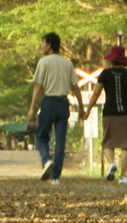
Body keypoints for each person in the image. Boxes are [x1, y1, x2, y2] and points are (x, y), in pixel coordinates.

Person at [26, 32, 85, 185]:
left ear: (50, 45)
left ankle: (46, 161)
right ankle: (55, 178)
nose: (41, 46)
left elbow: (38, 86)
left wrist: (32, 107)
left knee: (42, 137)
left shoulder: (43, 62)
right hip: (63, 104)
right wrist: (81, 108)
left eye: (43, 43)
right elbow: (76, 88)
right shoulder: (68, 63)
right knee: (60, 142)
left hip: (49, 103)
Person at [83, 44, 127, 184]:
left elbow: (95, 94)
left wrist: (87, 111)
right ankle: (123, 176)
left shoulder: (105, 74)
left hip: (109, 113)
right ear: (124, 61)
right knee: (126, 145)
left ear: (111, 60)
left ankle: (112, 163)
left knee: (107, 143)